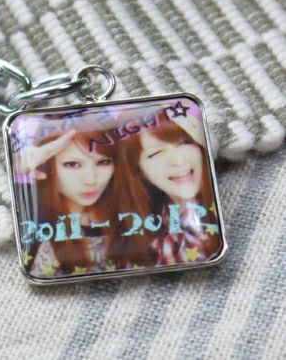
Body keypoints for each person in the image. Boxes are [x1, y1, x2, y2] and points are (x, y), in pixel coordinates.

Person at [13, 115, 127, 278]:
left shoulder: (128, 208)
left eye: (103, 162)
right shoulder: (33, 216)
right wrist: (18, 162)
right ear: (47, 165)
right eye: (73, 164)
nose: (91, 180)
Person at [117, 107, 222, 267]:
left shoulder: (208, 219)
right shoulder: (155, 224)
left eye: (184, 143)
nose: (178, 161)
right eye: (156, 153)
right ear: (139, 171)